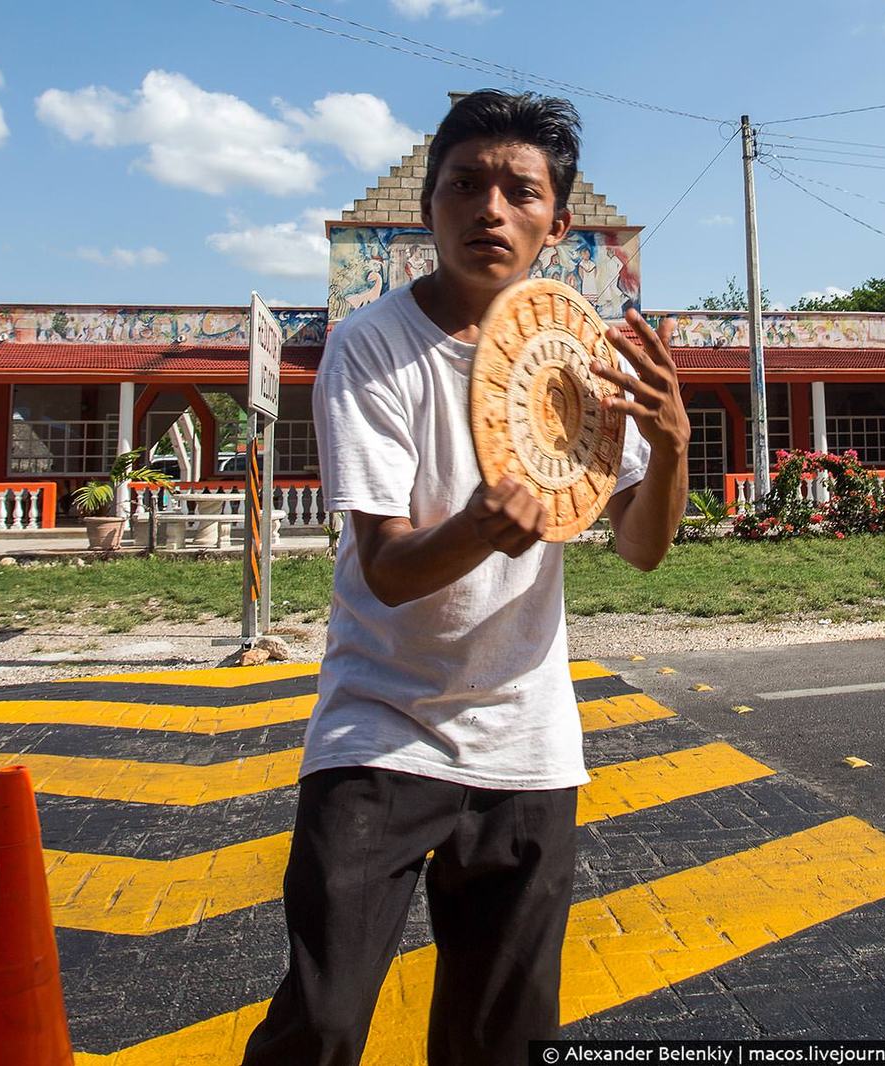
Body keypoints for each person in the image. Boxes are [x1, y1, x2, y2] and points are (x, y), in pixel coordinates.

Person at [241, 89, 690, 1066]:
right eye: (464, 184)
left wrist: (672, 443)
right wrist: (487, 523)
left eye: (519, 190)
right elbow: (390, 569)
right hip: (380, 722)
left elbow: (642, 545)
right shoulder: (372, 348)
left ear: (556, 224)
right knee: (319, 1021)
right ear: (428, 208)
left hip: (526, 738)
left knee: (501, 1036)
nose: (490, 208)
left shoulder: (582, 362)